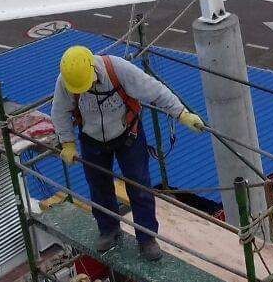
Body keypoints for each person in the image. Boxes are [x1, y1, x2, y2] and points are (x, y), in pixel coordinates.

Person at [52, 45, 206, 262]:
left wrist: (181, 114)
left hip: (127, 135)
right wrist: (67, 142)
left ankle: (147, 239)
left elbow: (156, 91)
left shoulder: (118, 70)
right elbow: (59, 112)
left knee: (139, 187)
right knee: (99, 187)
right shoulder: (67, 82)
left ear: (93, 69)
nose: (83, 90)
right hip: (92, 139)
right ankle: (108, 229)